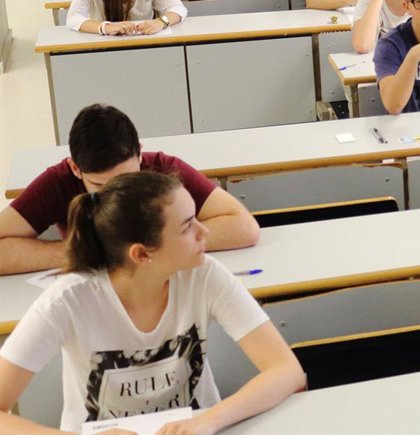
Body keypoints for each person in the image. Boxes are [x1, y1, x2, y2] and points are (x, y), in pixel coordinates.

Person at [0, 170, 303, 432]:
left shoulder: (204, 274)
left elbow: (287, 370)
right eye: (187, 226)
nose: (204, 231)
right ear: (142, 254)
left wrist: (208, 420)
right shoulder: (67, 300)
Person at [0, 104, 259, 275]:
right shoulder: (58, 182)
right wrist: (86, 252)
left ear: (140, 155)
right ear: (75, 168)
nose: (117, 194)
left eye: (127, 179)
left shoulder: (162, 168)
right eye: (100, 186)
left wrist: (157, 245)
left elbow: (243, 227)